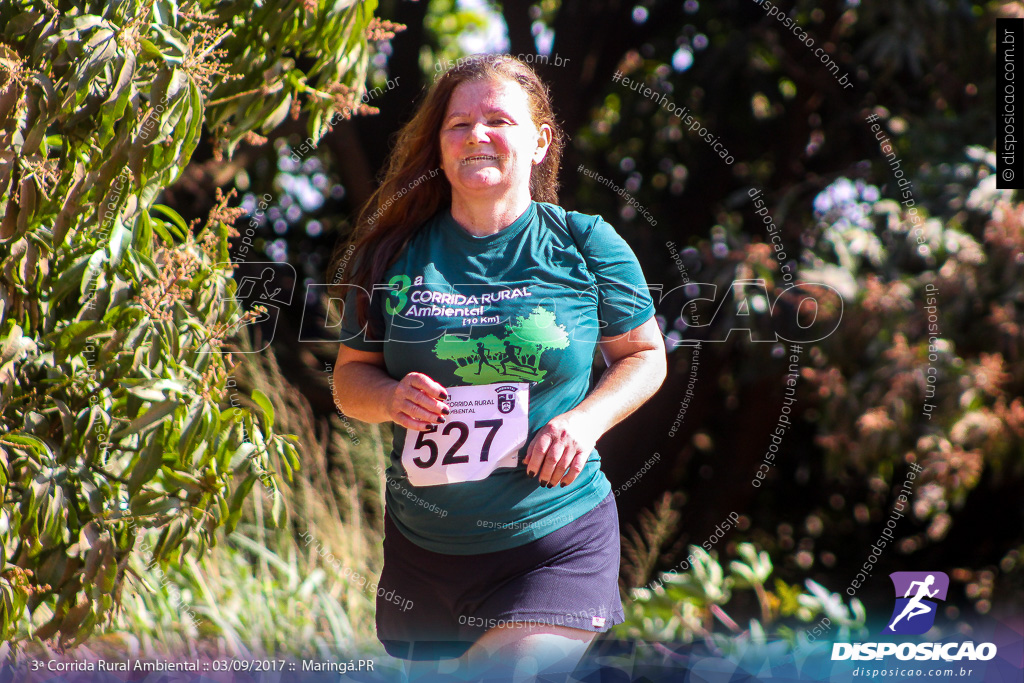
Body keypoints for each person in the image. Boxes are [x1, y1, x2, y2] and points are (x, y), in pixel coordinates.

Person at [330, 54, 666, 681]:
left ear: (539, 141)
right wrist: (390, 397)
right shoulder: (391, 253)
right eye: (458, 124)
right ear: (439, 144)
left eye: (497, 120)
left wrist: (584, 424)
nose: (476, 135)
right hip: (423, 556)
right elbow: (350, 381)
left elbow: (645, 356)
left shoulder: (586, 244)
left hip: (554, 540)